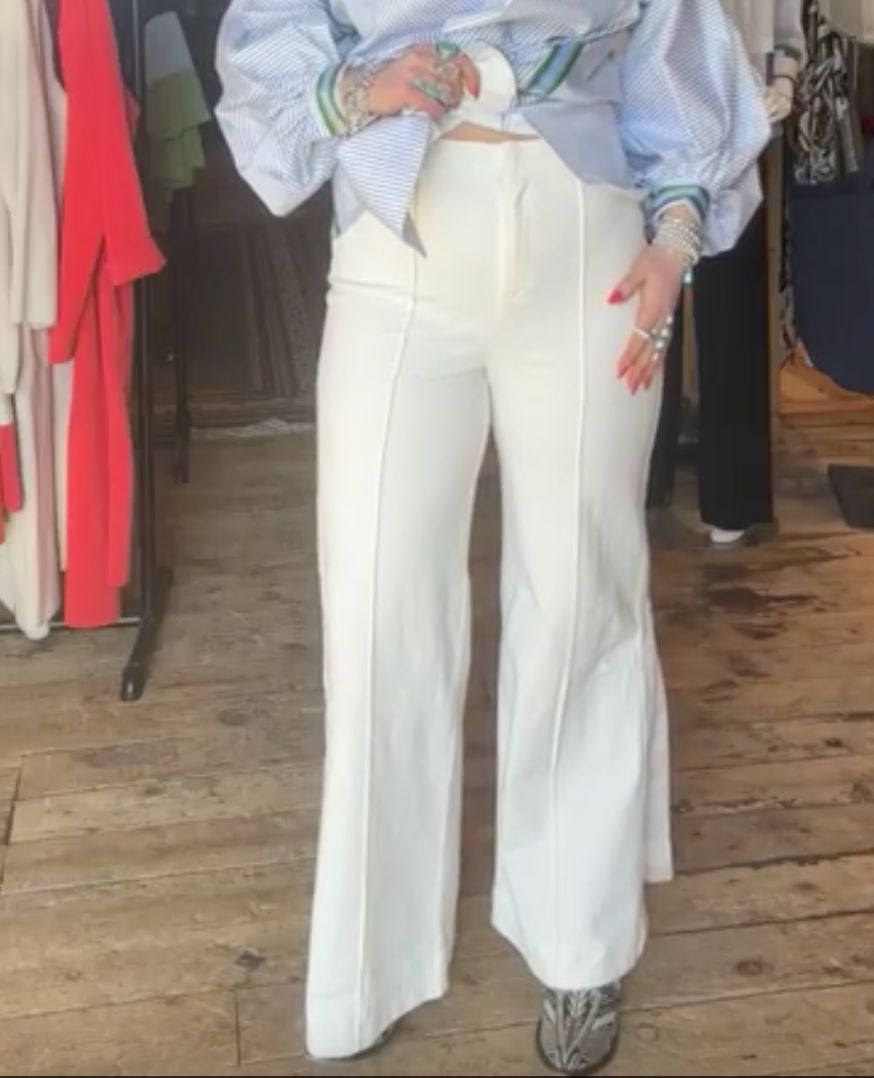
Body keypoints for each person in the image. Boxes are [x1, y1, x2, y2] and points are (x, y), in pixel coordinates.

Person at [215, 2, 769, 1073]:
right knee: (376, 608)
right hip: (399, 235)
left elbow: (678, 38)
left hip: (587, 234)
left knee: (582, 593)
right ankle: (368, 962)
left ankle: (580, 937)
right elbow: (270, 43)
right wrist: (350, 89)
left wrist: (675, 236)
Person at [648, 0, 806, 546]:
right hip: (651, 123)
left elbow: (785, 25)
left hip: (741, 122)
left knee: (733, 305)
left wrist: (782, 81)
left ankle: (734, 497)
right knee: (649, 306)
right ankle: (641, 475)